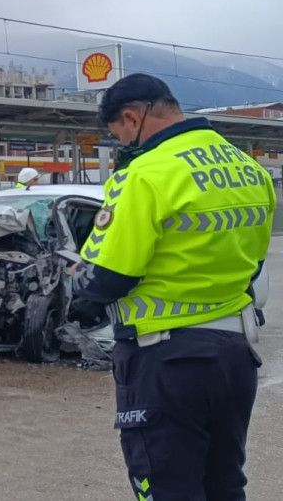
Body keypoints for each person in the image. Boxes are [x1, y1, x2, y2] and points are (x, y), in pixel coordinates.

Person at [72, 73, 273, 500]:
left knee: (164, 488)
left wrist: (80, 293)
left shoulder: (145, 174)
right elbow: (254, 265)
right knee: (225, 485)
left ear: (133, 117)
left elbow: (109, 275)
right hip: (235, 357)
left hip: (166, 361)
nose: (123, 145)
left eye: (119, 135)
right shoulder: (247, 168)